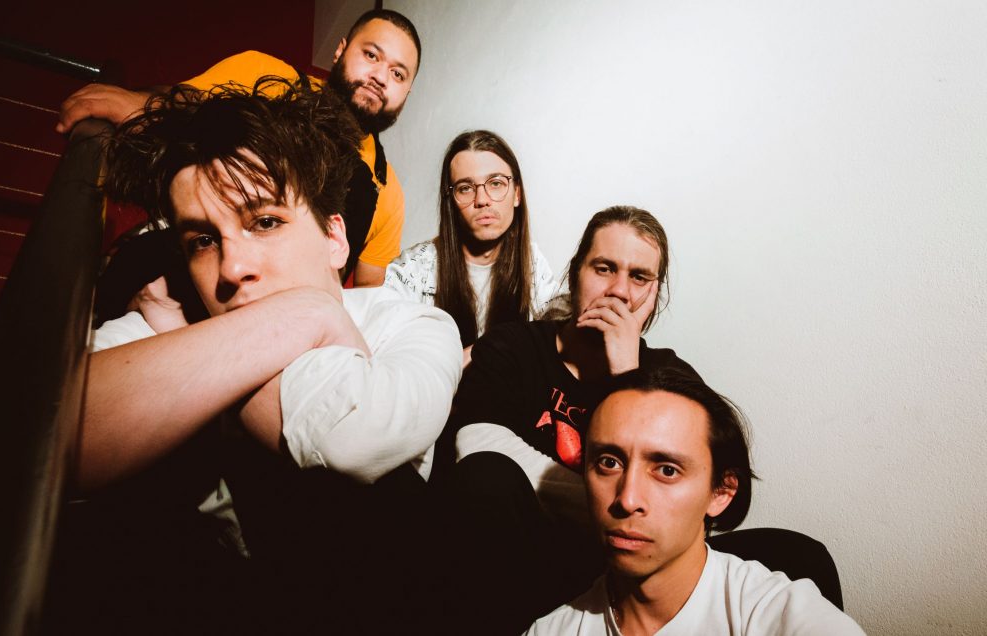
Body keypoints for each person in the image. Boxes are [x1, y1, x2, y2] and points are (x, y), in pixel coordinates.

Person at [52, 78, 461, 633]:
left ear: (335, 239)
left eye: (265, 222)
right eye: (202, 240)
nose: (231, 268)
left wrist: (276, 322)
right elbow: (43, 435)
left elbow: (352, 434)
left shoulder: (413, 324)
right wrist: (305, 315)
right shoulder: (167, 309)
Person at [439, 205, 697, 633]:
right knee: (488, 477)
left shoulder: (670, 379)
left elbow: (714, 493)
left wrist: (627, 377)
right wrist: (618, 510)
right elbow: (477, 449)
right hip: (514, 563)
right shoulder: (515, 347)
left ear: (655, 294)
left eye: (639, 277)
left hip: (614, 576)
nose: (619, 291)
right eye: (604, 268)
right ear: (576, 273)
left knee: (791, 552)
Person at [56, 9, 421, 286]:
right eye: (371, 55)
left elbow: (365, 297)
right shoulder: (266, 77)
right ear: (340, 51)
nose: (380, 77)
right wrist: (138, 102)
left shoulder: (387, 191)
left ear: (407, 92)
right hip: (192, 286)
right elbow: (179, 103)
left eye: (397, 73)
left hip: (289, 331)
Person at [525, 368, 866, 635]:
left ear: (721, 493)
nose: (627, 500)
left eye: (667, 470)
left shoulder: (774, 613)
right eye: (609, 463)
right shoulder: (551, 630)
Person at [383, 130, 556, 360]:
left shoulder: (532, 263)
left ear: (517, 194)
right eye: (465, 188)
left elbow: (556, 342)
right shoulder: (412, 271)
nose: (482, 200)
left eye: (496, 183)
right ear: (450, 201)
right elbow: (385, 352)